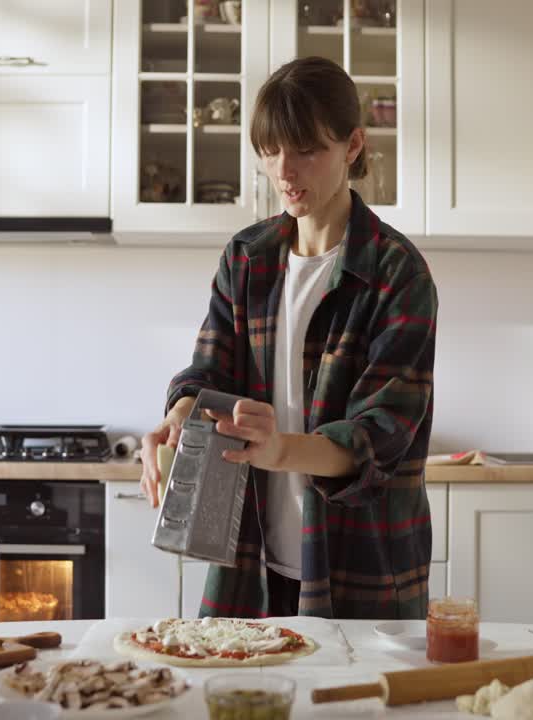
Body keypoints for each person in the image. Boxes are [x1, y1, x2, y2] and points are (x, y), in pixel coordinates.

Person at [139, 56, 437, 620]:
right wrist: (180, 414)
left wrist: (280, 450)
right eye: (271, 150)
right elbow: (209, 369)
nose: (284, 171)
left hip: (362, 566)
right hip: (249, 561)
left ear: (352, 146)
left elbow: (380, 436)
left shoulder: (397, 272)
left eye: (306, 151)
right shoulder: (247, 259)